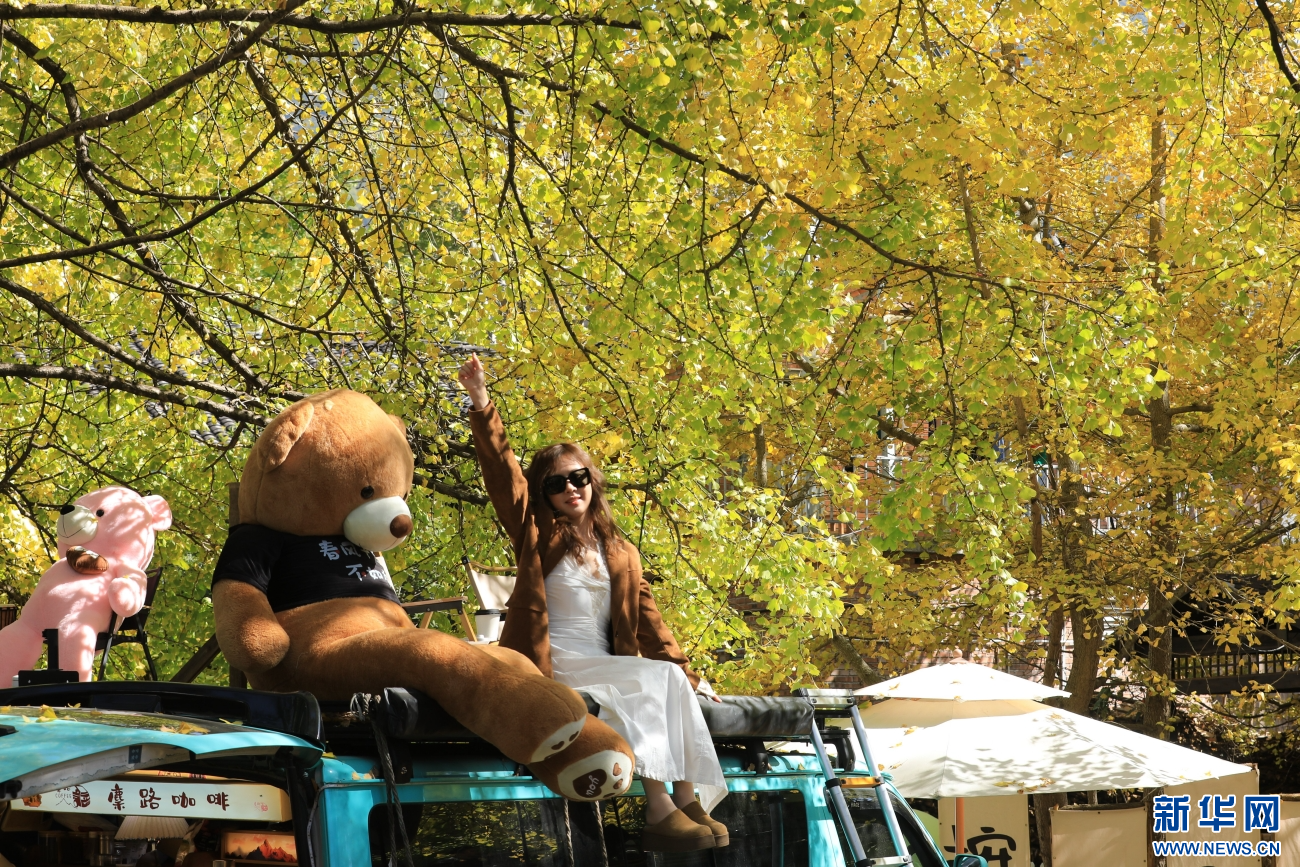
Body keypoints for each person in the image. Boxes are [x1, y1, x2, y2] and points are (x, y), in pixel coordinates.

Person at [458, 355, 729, 853]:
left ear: (592, 480)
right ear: (544, 494)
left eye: (578, 477)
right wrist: (481, 400)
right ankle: (658, 808)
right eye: (555, 483)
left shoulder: (621, 551)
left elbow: (650, 624)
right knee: (650, 681)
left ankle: (687, 802)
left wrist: (693, 677)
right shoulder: (538, 535)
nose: (570, 489)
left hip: (604, 661)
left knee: (670, 678)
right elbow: (503, 475)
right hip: (555, 661)